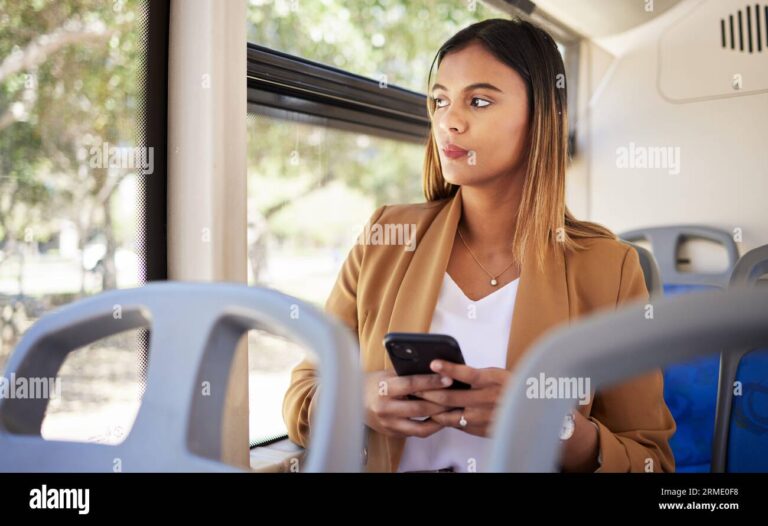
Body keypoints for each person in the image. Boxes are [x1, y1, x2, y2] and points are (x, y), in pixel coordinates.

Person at [283, 17, 675, 473]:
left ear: (542, 116)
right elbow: (302, 393)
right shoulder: (384, 239)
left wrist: (551, 424)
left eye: (480, 101)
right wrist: (356, 399)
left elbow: (651, 462)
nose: (449, 120)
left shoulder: (610, 270)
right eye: (440, 100)